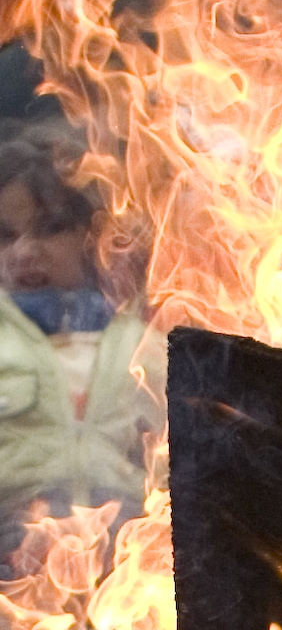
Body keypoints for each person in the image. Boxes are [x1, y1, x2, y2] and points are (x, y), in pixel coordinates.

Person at [0, 135, 161, 553]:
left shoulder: (146, 342)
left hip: (131, 572)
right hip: (12, 578)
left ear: (93, 235)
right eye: (4, 235)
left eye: (49, 229)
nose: (24, 251)